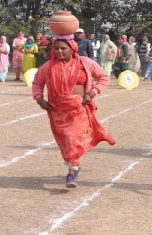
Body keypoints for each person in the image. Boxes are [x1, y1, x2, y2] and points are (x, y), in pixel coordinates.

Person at [33, 32, 115, 187]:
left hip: (80, 108)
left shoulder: (85, 63)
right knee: (65, 140)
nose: (59, 51)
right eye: (56, 48)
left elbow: (104, 77)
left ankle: (72, 171)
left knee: (72, 137)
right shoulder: (48, 67)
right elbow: (37, 82)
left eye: (63, 48)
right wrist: (39, 99)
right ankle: (74, 165)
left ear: (72, 49)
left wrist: (92, 93)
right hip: (58, 110)